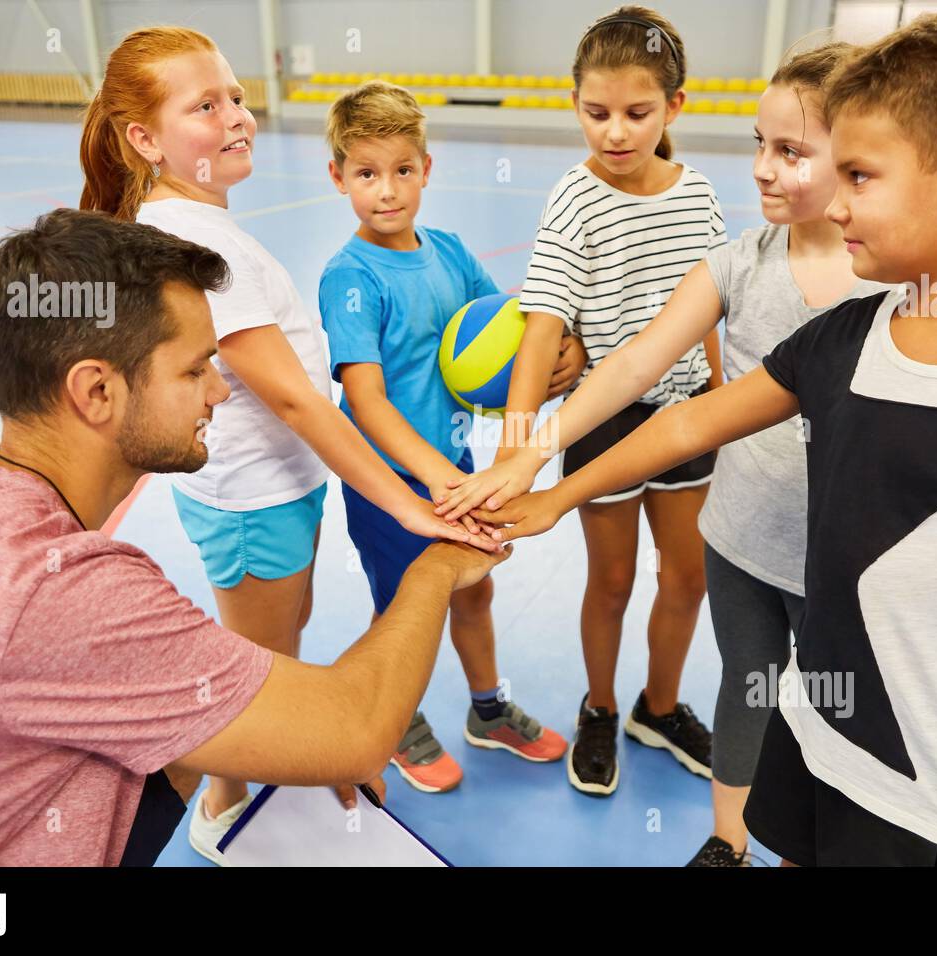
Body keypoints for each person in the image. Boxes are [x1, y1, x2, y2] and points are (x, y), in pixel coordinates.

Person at [464, 4, 937, 865]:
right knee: (770, 756)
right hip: (817, 729)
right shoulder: (849, 335)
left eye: (857, 175)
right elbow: (677, 406)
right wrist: (548, 479)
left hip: (929, 803)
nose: (833, 195)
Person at [0, 208, 509, 866]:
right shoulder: (64, 595)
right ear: (97, 390)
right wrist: (435, 568)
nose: (220, 391)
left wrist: (290, 735)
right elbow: (361, 733)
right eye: (196, 370)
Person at [78, 27, 529, 857]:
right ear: (145, 138)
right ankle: (223, 809)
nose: (238, 117)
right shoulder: (201, 239)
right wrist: (407, 500)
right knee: (251, 671)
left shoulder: (197, 222)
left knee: (274, 649)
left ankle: (251, 788)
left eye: (237, 97)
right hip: (253, 499)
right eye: (205, 106)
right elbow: (300, 400)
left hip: (277, 492)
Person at [440, 40, 891, 864]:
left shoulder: (898, 287)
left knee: (829, 712)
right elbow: (635, 360)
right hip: (742, 533)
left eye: (787, 151)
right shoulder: (739, 262)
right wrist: (528, 451)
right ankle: (719, 831)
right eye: (758, 143)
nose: (760, 168)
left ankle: (778, 823)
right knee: (747, 683)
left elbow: (701, 391)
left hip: (840, 556)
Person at [454, 5, 728, 797]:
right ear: (574, 102)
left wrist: (726, 404)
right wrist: (516, 447)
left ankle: (660, 706)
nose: (614, 131)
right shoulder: (576, 199)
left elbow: (711, 307)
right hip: (604, 420)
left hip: (687, 417)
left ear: (674, 107)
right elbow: (542, 330)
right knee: (611, 581)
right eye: (595, 112)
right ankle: (601, 707)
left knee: (687, 578)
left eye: (637, 113)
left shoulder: (699, 195)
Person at [319, 80, 569, 794]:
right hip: (389, 479)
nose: (387, 190)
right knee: (403, 607)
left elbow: (509, 331)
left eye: (402, 170)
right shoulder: (351, 277)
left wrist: (563, 357)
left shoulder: (451, 252)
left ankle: (487, 711)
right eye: (367, 174)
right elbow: (364, 401)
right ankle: (393, 719)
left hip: (453, 466)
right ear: (338, 177)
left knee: (473, 592)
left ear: (427, 168)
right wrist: (434, 476)